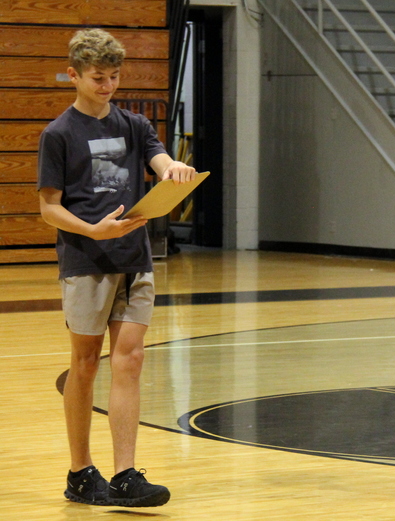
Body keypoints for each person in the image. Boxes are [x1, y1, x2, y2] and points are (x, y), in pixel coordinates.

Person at [38, 28, 196, 507]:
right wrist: (90, 231)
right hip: (87, 260)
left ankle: (126, 474)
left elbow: (159, 158)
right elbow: (49, 207)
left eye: (113, 77)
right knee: (85, 365)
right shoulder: (59, 134)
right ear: (74, 75)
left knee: (131, 359)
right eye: (97, 78)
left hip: (135, 257)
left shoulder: (133, 124)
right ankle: (80, 472)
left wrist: (173, 170)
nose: (107, 86)